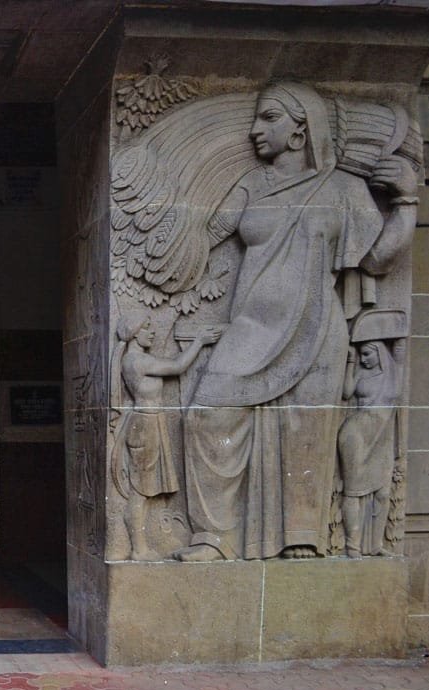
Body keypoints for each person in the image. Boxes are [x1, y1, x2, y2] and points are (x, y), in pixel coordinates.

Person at [173, 82, 417, 562]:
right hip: (251, 328)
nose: (254, 129)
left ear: (302, 129)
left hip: (317, 326)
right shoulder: (251, 184)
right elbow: (206, 235)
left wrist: (407, 200)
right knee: (207, 415)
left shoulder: (342, 189)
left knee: (306, 430)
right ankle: (213, 536)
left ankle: (299, 537)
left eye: (269, 118)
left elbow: (376, 259)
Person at [112, 317, 220, 561]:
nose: (152, 332)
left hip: (152, 423)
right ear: (134, 333)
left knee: (145, 489)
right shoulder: (137, 360)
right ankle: (139, 550)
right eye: (146, 328)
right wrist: (199, 341)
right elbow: (177, 366)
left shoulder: (136, 358)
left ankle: (141, 546)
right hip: (145, 425)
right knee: (140, 490)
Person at [338, 339, 403, 557]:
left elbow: (400, 354)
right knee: (353, 491)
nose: (364, 359)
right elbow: (346, 392)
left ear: (380, 353)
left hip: (382, 437)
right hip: (356, 434)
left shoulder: (392, 375)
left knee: (383, 492)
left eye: (367, 354)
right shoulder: (361, 372)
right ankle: (352, 546)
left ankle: (376, 544)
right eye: (362, 354)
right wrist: (350, 361)